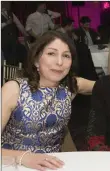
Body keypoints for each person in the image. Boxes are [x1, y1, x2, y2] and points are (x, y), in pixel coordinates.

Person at [1, 31, 95, 171]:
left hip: (53, 166)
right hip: (12, 164)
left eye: (66, 56)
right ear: (36, 60)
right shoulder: (14, 89)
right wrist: (25, 157)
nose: (59, 62)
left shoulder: (70, 87)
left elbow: (107, 88)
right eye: (51, 53)